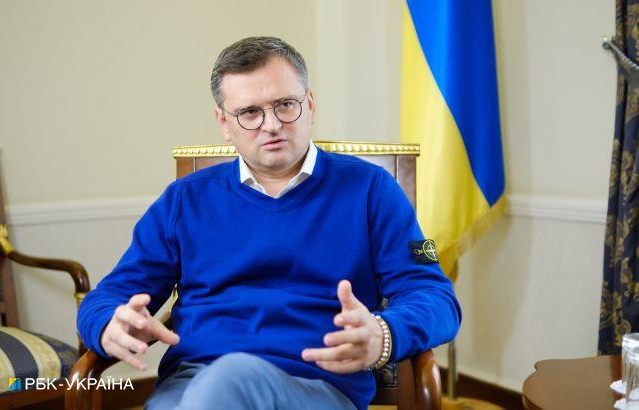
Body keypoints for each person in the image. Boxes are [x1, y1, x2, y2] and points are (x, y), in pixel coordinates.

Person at [77, 36, 461, 410]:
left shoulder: (371, 190)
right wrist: (110, 323)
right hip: (192, 383)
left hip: (318, 386)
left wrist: (384, 334)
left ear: (310, 105)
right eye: (249, 112)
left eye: (285, 105)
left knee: (232, 378)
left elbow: (436, 297)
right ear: (223, 122)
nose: (272, 125)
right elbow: (108, 297)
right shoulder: (184, 200)